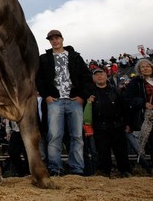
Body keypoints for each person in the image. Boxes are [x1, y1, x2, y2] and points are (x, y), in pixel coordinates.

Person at [36, 30, 94, 176]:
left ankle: (77, 169)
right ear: (49, 41)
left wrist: (82, 96)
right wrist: (46, 95)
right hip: (55, 101)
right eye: (51, 39)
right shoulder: (43, 58)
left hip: (74, 100)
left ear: (62, 39)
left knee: (77, 136)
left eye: (57, 38)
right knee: (54, 136)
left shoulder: (75, 57)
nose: (54, 41)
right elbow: (39, 79)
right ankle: (55, 169)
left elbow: (87, 77)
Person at [88, 68, 131, 177]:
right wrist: (89, 103)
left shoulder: (116, 90)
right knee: (103, 151)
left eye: (101, 74)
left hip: (117, 125)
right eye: (96, 75)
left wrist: (127, 123)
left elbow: (124, 107)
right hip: (100, 127)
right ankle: (105, 172)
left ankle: (125, 171)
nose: (99, 76)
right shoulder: (90, 93)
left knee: (121, 150)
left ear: (106, 76)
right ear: (93, 78)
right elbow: (87, 113)